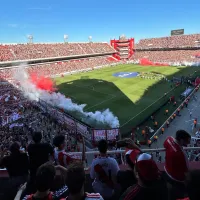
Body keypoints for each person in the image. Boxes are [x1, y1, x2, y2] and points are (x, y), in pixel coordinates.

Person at [164, 130, 191, 200]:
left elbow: (165, 145)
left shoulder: (168, 139)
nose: (188, 143)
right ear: (181, 140)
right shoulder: (181, 154)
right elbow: (187, 173)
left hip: (167, 172)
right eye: (187, 141)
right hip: (178, 180)